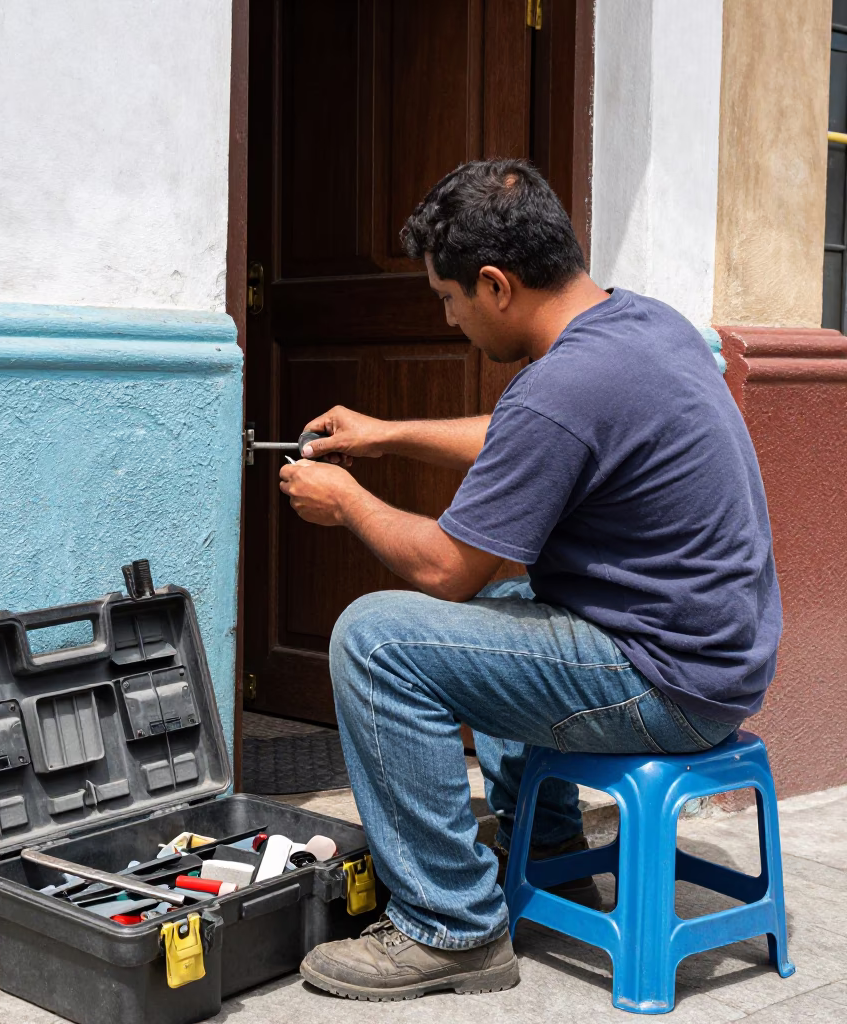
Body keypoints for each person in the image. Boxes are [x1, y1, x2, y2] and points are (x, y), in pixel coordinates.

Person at [281, 158, 781, 1002]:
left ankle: (451, 928)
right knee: (510, 606)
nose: (451, 322)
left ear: (495, 285)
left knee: (376, 639)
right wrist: (388, 434)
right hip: (716, 660)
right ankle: (549, 852)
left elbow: (445, 568)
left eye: (449, 300)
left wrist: (348, 502)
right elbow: (531, 430)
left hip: (669, 683)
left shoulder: (566, 383)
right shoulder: (639, 326)